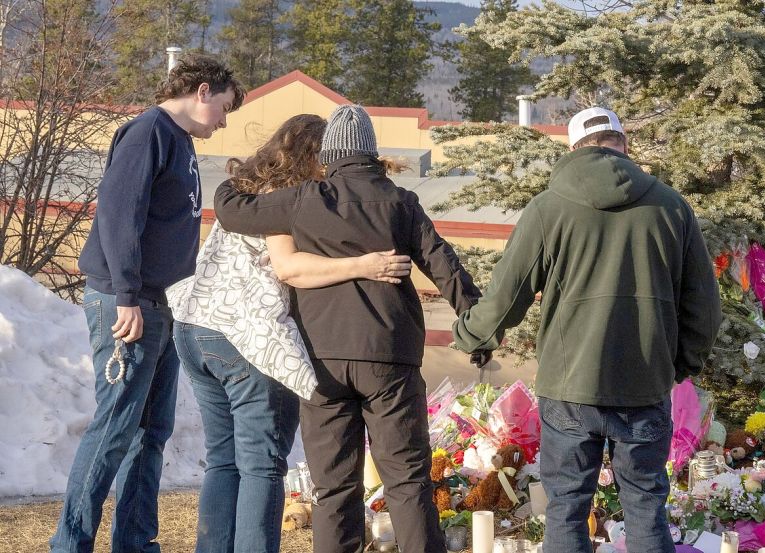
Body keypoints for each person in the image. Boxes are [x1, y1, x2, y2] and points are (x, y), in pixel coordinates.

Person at [452, 107, 722, 553]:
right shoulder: (671, 207)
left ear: (573, 150)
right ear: (624, 146)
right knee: (644, 508)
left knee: (566, 509)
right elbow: (704, 308)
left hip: (570, 387)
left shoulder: (548, 208)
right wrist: (679, 365)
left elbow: (506, 298)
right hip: (643, 386)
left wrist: (471, 336)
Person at [213, 105, 481, 553]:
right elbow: (446, 268)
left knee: (334, 486)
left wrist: (249, 172)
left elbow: (230, 211)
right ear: (371, 153)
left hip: (324, 360)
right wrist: (478, 326)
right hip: (390, 358)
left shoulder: (302, 199)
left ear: (330, 153)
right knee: (407, 482)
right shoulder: (402, 203)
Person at [166, 114, 412, 553]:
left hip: (194, 325)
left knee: (224, 460)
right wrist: (365, 265)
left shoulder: (247, 190)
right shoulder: (284, 198)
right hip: (247, 336)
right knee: (261, 464)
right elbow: (289, 268)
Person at [51, 54, 246, 553]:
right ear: (202, 90)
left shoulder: (179, 142)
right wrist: (126, 297)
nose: (224, 121)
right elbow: (119, 215)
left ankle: (135, 543)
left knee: (150, 431)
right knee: (116, 425)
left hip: (163, 304)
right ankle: (69, 545)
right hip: (128, 304)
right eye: (224, 107)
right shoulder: (148, 132)